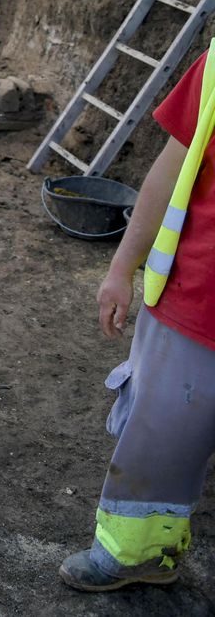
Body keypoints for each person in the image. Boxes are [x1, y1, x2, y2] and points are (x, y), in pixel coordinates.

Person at [59, 43, 215, 593]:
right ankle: (137, 554)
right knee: (160, 437)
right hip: (196, 299)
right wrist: (121, 267)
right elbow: (170, 169)